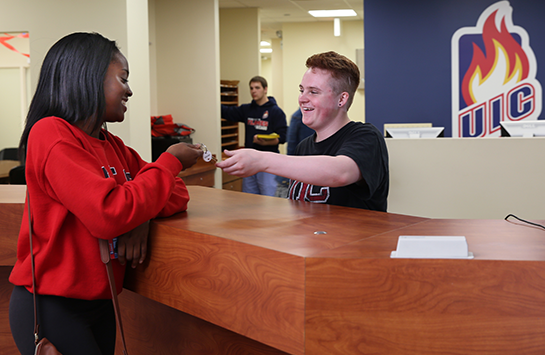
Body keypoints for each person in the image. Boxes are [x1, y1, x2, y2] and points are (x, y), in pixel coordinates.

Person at [8, 32, 203, 355]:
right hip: (51, 305)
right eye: (122, 79)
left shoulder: (111, 145)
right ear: (89, 77)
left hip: (99, 304)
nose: (129, 90)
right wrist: (169, 162)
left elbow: (177, 194)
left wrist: (138, 218)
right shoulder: (51, 133)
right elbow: (108, 214)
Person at [217, 51, 389, 211]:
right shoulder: (304, 147)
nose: (302, 98)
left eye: (313, 92)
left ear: (342, 99)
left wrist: (262, 159)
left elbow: (341, 173)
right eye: (302, 90)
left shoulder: (367, 136)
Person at [221, 76, 287, 196]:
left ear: (265, 89)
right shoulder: (247, 109)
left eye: (257, 88)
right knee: (249, 197)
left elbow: (283, 137)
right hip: (249, 161)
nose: (253, 91)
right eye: (251, 88)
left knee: (269, 198)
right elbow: (227, 112)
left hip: (268, 162)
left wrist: (266, 142)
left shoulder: (276, 111)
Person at [275, 108, 315, 197]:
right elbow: (293, 151)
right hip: (296, 178)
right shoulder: (301, 117)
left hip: (296, 176)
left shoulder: (301, 116)